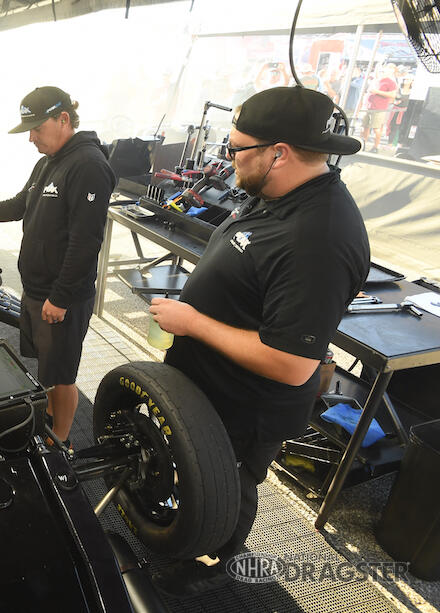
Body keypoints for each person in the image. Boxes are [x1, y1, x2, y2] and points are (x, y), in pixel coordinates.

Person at [147, 86, 370, 595]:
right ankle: (193, 530)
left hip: (247, 406)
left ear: (279, 153)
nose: (229, 158)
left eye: (236, 149)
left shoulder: (319, 237)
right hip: (208, 385)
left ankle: (214, 564)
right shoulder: (276, 192)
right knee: (196, 474)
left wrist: (194, 322)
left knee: (227, 484)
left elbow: (293, 364)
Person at [0, 86, 116, 445]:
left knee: (62, 376)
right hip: (37, 290)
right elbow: (18, 205)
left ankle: (60, 442)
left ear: (63, 119)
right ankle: (50, 418)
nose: (31, 137)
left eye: (36, 128)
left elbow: (86, 243)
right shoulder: (48, 161)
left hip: (61, 297)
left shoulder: (89, 166)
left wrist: (61, 298)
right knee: (49, 370)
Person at [360, 64, 398, 153]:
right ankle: (363, 144)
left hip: (379, 108)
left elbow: (393, 95)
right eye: (380, 71)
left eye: (383, 71)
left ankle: (375, 147)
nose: (381, 72)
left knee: (376, 128)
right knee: (365, 126)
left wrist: (377, 92)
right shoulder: (375, 80)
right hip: (368, 106)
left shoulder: (391, 82)